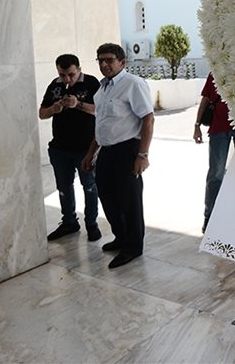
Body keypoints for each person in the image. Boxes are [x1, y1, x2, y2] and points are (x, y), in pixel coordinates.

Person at [82, 43, 154, 269]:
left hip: (127, 150)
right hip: (106, 150)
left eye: (109, 60)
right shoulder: (102, 89)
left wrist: (142, 154)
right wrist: (90, 153)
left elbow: (148, 118)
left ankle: (133, 247)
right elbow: (101, 124)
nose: (104, 64)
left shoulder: (133, 84)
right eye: (100, 60)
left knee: (129, 201)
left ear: (122, 62)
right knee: (108, 197)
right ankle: (121, 237)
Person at [39, 54, 102, 242]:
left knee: (89, 186)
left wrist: (78, 104)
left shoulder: (91, 83)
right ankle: (69, 222)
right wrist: (54, 109)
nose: (67, 79)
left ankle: (92, 224)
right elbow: (42, 113)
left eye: (71, 74)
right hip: (60, 148)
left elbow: (101, 110)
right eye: (62, 75)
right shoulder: (55, 85)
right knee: (63, 187)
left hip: (85, 148)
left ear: (79, 69)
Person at [193, 72, 235, 233]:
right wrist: (197, 125)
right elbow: (205, 99)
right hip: (218, 128)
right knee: (216, 174)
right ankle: (209, 216)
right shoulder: (216, 71)